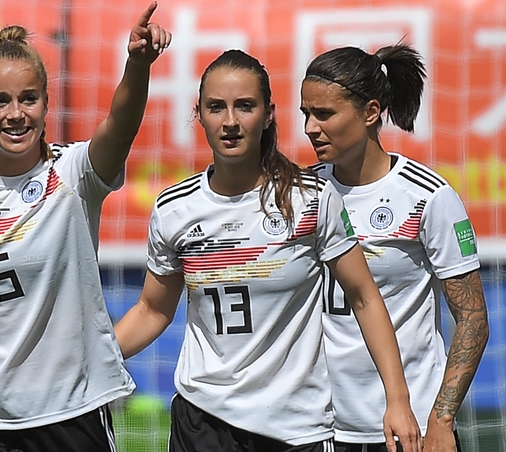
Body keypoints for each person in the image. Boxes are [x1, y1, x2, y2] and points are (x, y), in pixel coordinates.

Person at [0, 4, 171, 451]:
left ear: (46, 102)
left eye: (28, 98)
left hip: (71, 411)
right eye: (0, 101)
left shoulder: (75, 174)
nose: (15, 114)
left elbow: (121, 125)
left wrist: (136, 66)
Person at [113, 49, 423, 452]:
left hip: (295, 430)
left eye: (244, 106)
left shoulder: (311, 198)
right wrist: (89, 360)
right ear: (199, 114)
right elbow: (153, 310)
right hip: (202, 424)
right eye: (215, 107)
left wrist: (397, 401)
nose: (230, 122)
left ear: (269, 113)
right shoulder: (174, 208)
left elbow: (364, 297)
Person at [300, 44, 490, 452]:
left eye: (325, 114)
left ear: (371, 112)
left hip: (409, 427)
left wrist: (441, 418)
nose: (311, 128)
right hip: (319, 428)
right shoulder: (301, 193)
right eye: (306, 114)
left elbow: (473, 318)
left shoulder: (427, 196)